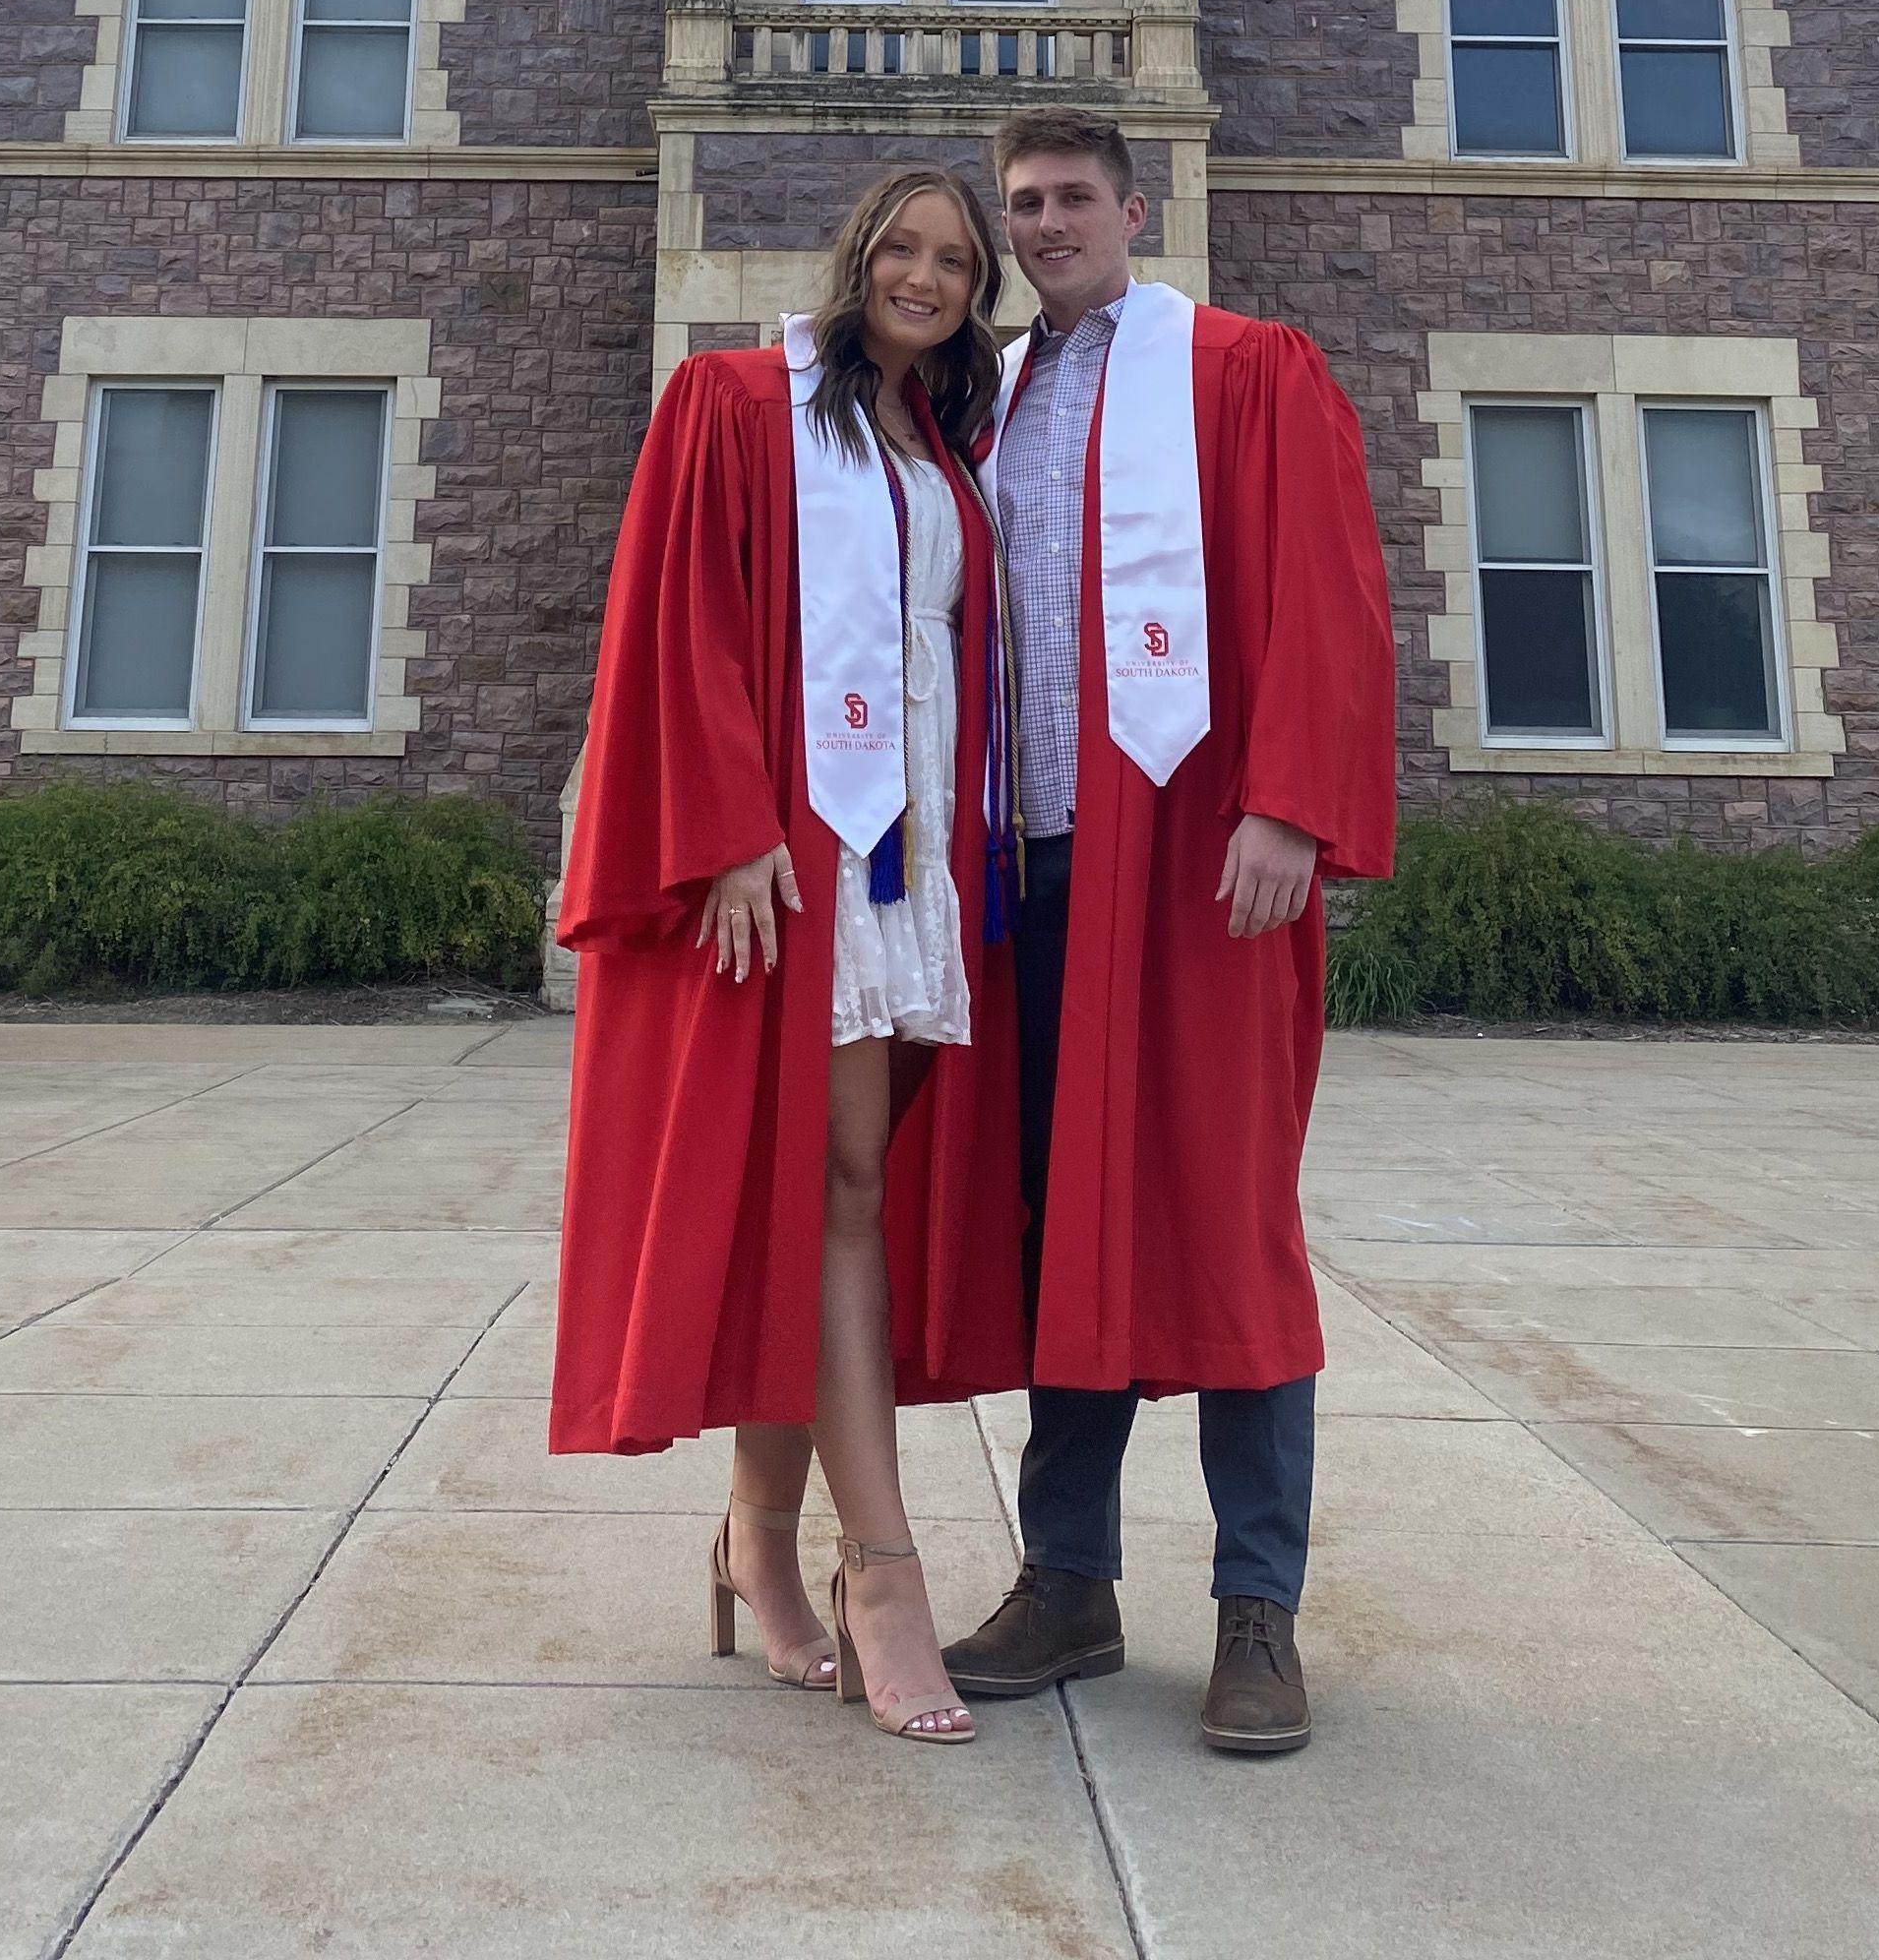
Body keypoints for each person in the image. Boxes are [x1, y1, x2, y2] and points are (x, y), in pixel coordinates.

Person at [548, 165, 1032, 1742]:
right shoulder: (737, 402)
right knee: (836, 1189)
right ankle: (878, 1569)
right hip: (794, 864)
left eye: (958, 260)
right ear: (856, 258)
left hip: (908, 877)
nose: (930, 276)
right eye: (904, 247)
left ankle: (752, 1538)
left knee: (828, 1200)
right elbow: (675, 616)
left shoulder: (940, 442)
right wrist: (731, 826)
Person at [936, 109, 1398, 1757]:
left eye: (1071, 199)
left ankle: (1256, 1610)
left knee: (1226, 1218)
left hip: (1200, 861)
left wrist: (1289, 804)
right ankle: (1070, 1584)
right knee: (1063, 1220)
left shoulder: (1245, 368)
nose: (1045, 223)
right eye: (1022, 205)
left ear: (1138, 209)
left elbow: (1329, 594)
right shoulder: (981, 397)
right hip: (1027, 869)